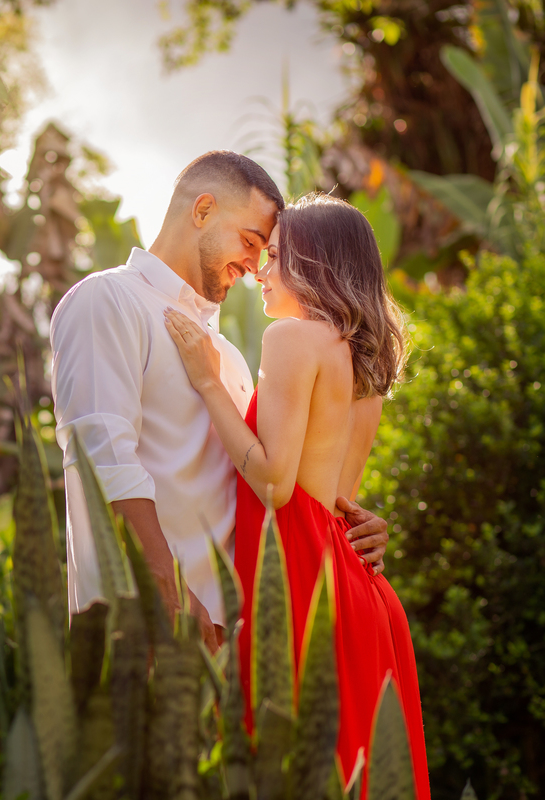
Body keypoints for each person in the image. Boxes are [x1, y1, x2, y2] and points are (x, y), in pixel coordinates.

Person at [50, 151, 390, 653]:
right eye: (252, 243)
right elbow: (102, 456)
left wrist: (349, 529)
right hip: (149, 630)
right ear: (203, 211)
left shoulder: (225, 356)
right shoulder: (108, 301)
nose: (256, 268)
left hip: (234, 647)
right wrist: (169, 594)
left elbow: (271, 477)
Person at [163, 192, 429, 798]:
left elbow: (277, 484)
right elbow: (339, 499)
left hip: (300, 581)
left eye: (276, 255)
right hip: (360, 591)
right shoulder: (364, 366)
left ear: (314, 265)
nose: (259, 269)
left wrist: (207, 381)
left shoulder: (290, 339)